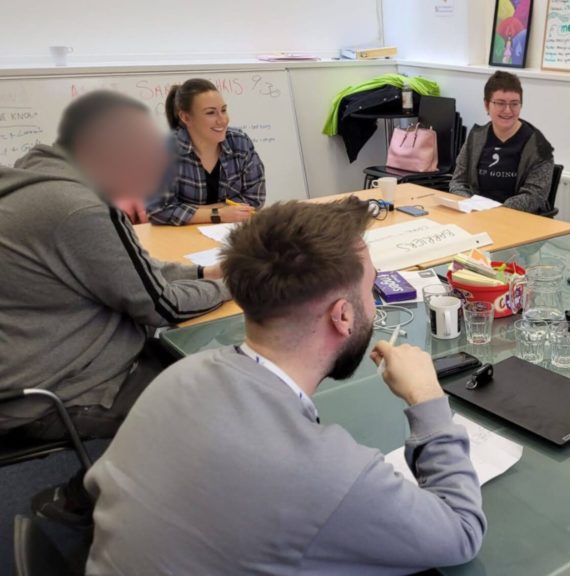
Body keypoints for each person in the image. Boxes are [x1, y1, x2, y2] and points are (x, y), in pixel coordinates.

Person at [85, 199, 486, 574]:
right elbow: (462, 532)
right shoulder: (329, 474)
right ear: (342, 316)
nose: (374, 304)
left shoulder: (179, 376)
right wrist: (428, 398)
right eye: (371, 290)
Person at [0, 91, 231, 523]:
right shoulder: (79, 209)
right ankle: (103, 504)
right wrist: (231, 287)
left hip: (27, 361)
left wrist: (202, 275)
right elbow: (162, 307)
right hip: (54, 390)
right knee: (208, 394)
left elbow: (128, 264)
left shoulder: (34, 177)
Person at [147, 78, 266, 225]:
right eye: (211, 113)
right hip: (181, 239)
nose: (222, 120)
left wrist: (194, 211)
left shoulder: (239, 141)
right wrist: (219, 214)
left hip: (233, 231)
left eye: (223, 110)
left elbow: (255, 198)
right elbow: (158, 211)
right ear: (186, 117)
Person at [450, 70, 555, 214]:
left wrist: (497, 212)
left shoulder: (539, 146)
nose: (507, 111)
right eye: (500, 103)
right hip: (475, 215)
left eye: (514, 104)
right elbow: (458, 182)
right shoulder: (475, 137)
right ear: (487, 105)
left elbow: (534, 196)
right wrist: (469, 204)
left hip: (517, 220)